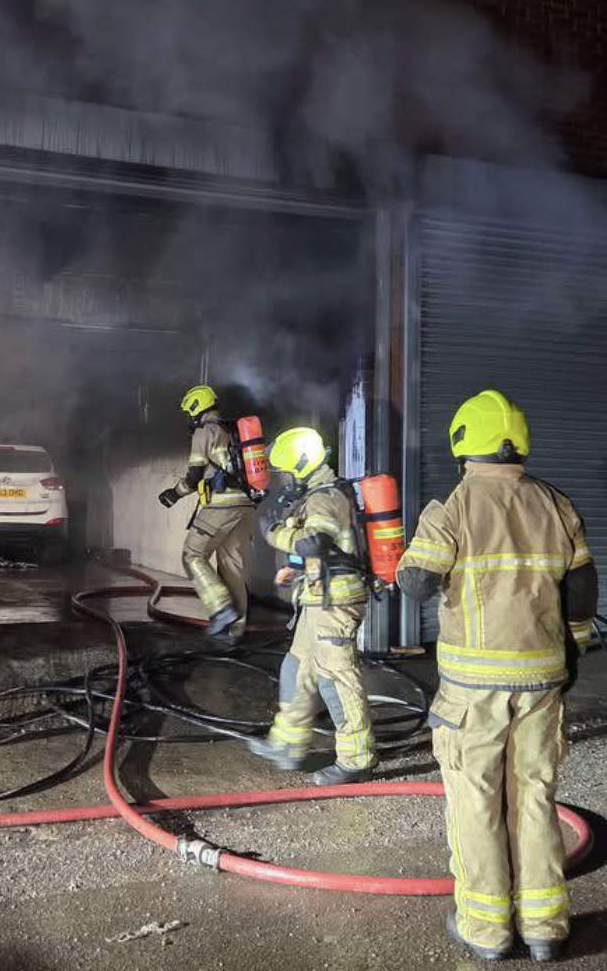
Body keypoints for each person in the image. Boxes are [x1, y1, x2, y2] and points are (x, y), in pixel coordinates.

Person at [397, 389, 598, 963]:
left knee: (476, 798)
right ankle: (545, 927)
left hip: (473, 690)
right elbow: (582, 586)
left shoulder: (453, 506)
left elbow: (416, 583)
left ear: (464, 442)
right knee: (534, 795)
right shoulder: (555, 503)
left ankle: (486, 928)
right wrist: (574, 649)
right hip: (542, 680)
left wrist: (398, 559)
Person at [246, 426, 377, 785]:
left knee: (337, 679)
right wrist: (296, 568)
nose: (287, 480)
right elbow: (326, 548)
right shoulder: (321, 496)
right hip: (319, 597)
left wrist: (273, 532)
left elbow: (314, 541)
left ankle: (357, 760)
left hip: (335, 603)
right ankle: (288, 744)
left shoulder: (325, 498)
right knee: (297, 668)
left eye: (289, 472)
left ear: (302, 464)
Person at [158, 385, 255, 640]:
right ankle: (233, 634)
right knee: (232, 568)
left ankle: (221, 609)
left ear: (196, 407)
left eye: (189, 413)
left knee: (192, 555)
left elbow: (194, 477)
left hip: (222, 505)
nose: (189, 418)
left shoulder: (205, 432)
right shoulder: (233, 431)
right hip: (246, 505)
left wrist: (173, 494)